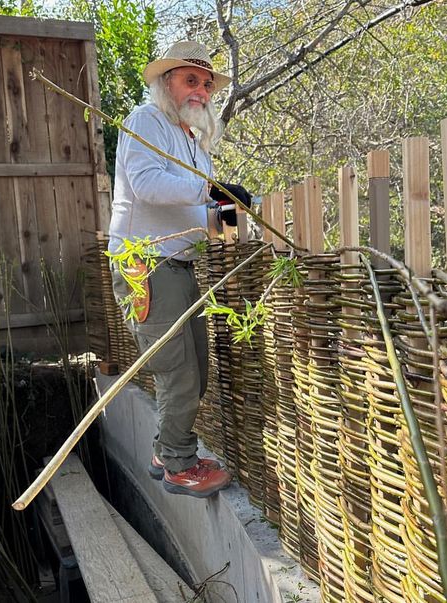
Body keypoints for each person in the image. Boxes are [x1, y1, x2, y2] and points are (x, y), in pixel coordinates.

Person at [108, 41, 251, 498]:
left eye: (207, 84)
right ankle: (178, 467)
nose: (202, 91)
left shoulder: (193, 144)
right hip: (145, 264)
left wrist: (245, 212)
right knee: (178, 373)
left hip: (178, 264)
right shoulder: (145, 121)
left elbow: (201, 213)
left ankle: (164, 450)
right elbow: (150, 186)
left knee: (196, 371)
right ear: (165, 83)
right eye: (192, 80)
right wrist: (212, 190)